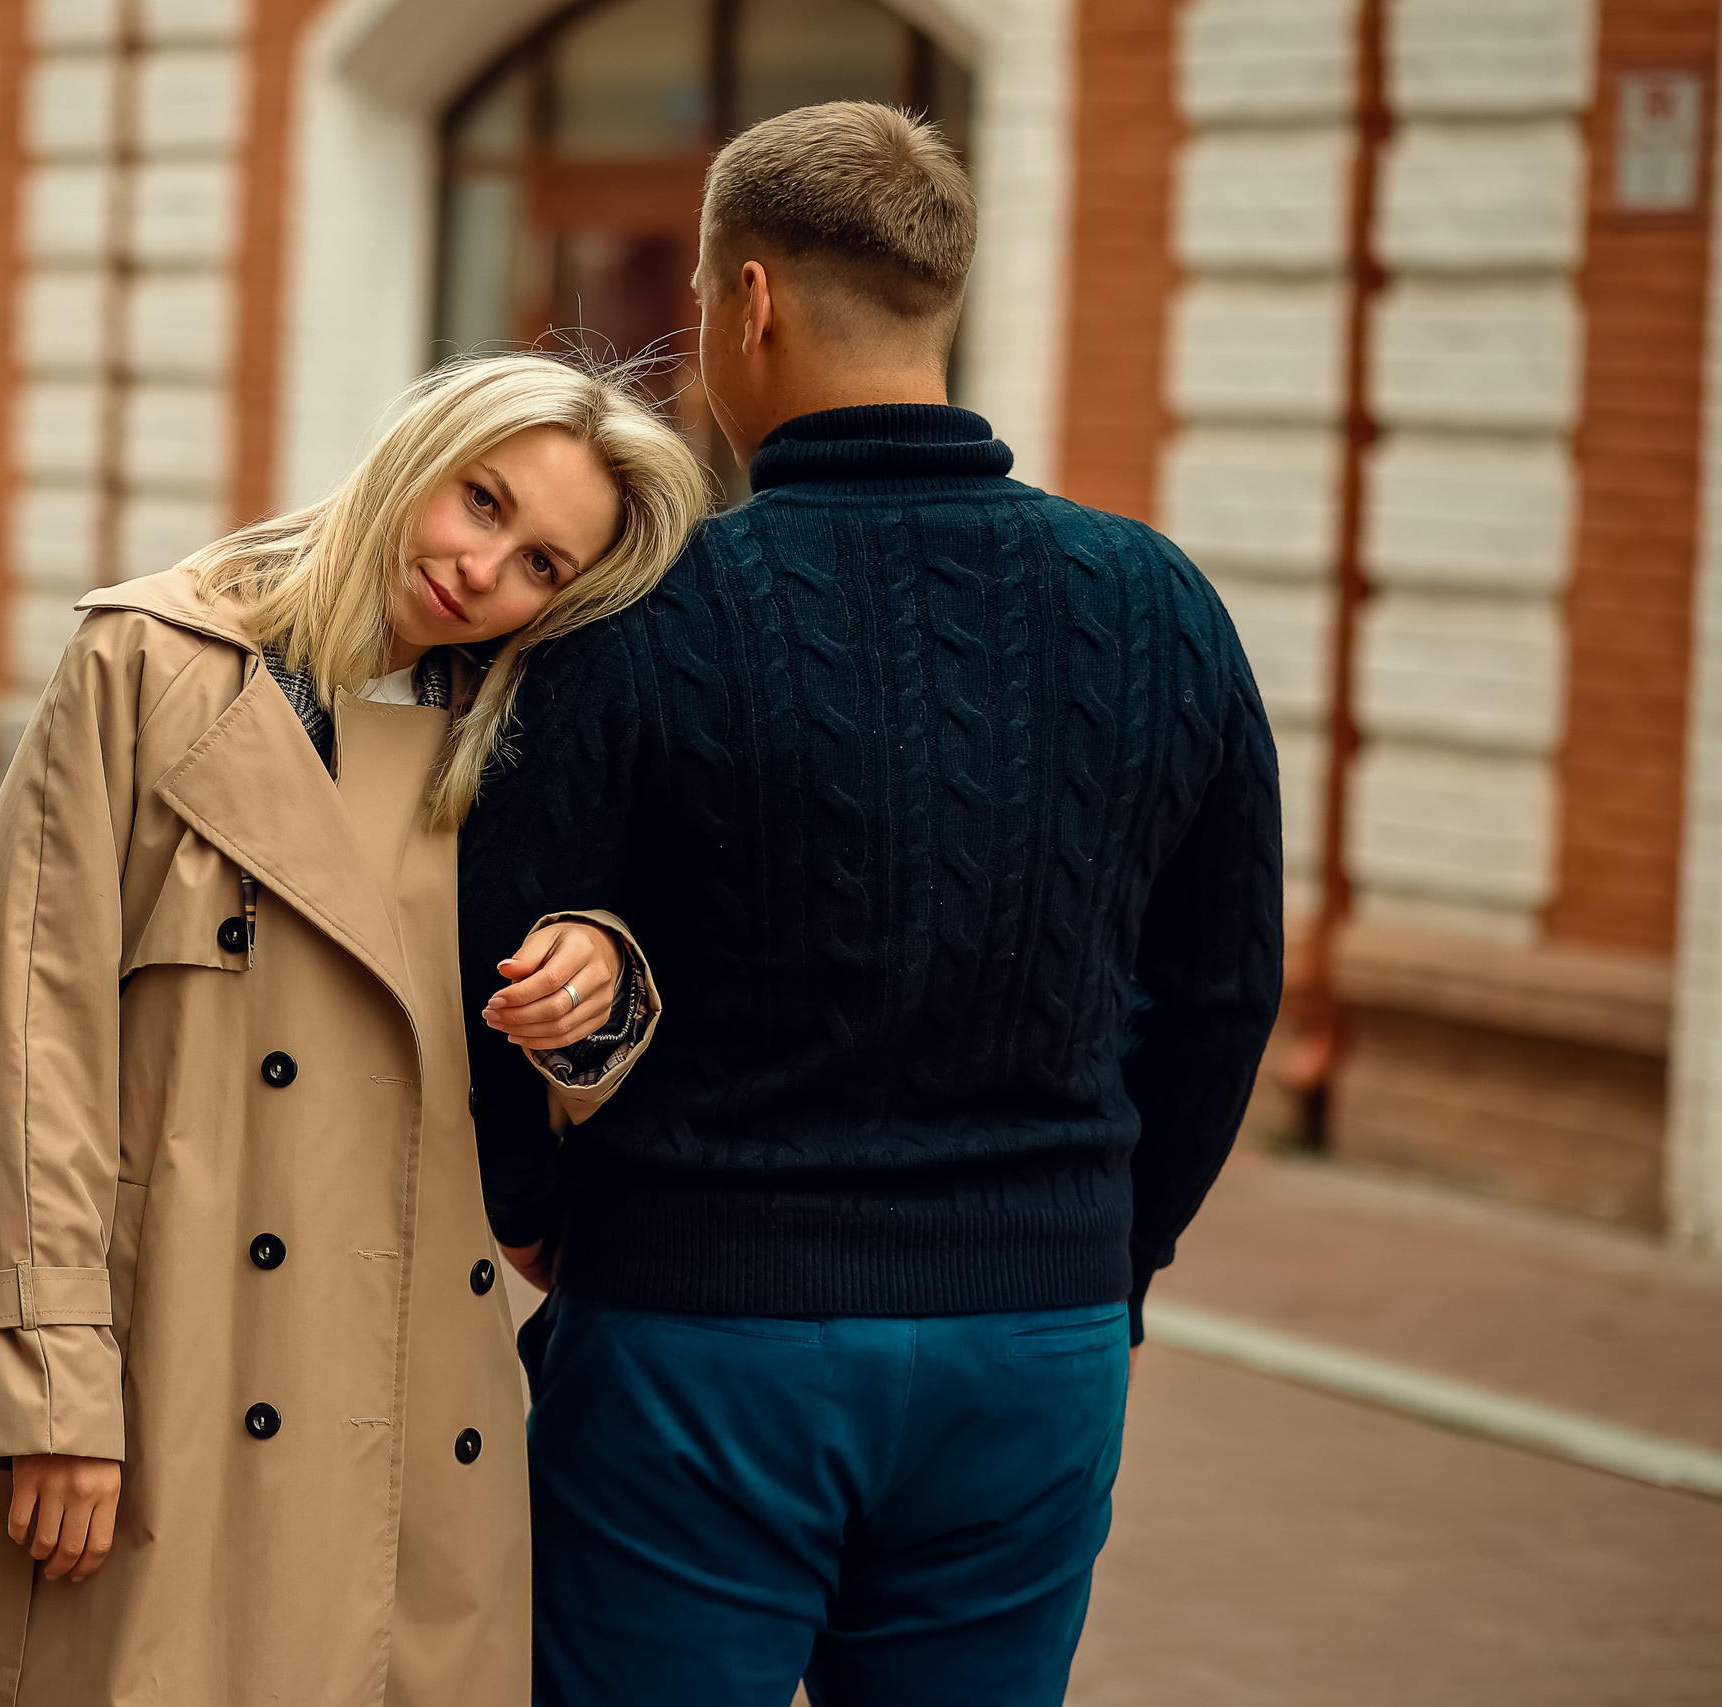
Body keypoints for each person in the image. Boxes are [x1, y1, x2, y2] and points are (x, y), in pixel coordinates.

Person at [459, 104, 1284, 1707]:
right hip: (1035, 1340)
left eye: (700, 309)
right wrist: (1111, 1254)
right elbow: (1223, 990)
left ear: (748, 302)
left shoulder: (646, 614)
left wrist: (536, 1215)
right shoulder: (1160, 606)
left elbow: (499, 943)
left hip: (701, 1331)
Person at [0, 353, 709, 1707]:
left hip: (422, 1415)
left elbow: (580, 1080)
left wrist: (602, 988)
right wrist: (51, 1385)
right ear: (419, 452)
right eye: (480, 502)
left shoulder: (527, 731)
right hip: (173, 1376)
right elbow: (24, 1044)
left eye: (540, 564)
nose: (484, 572)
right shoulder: (150, 662)